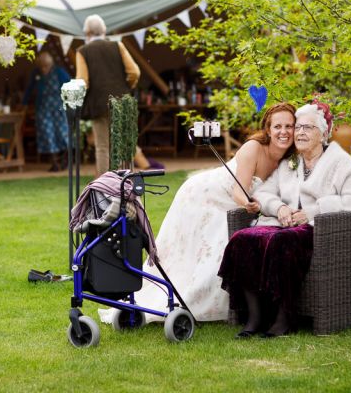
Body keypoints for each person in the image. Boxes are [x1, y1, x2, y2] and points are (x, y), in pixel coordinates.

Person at [100, 102, 297, 324]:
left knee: (216, 250)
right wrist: (248, 203)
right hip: (203, 195)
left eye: (289, 126)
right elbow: (238, 191)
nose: (283, 132)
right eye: (278, 126)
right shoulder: (254, 148)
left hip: (228, 206)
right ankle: (169, 299)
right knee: (186, 255)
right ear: (268, 129)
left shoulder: (290, 158)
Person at [219, 102, 351, 338]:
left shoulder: (343, 165)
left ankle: (284, 318)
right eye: (298, 127)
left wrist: (311, 212)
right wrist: (279, 207)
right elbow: (263, 192)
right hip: (284, 225)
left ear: (323, 134)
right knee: (242, 239)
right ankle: (255, 317)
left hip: (322, 230)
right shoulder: (291, 163)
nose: (299, 133)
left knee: (282, 242)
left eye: (307, 128)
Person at [75, 14, 140, 177]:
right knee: (123, 145)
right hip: (122, 102)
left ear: (87, 33)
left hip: (98, 104)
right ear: (104, 30)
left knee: (102, 147)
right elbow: (134, 72)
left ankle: (105, 186)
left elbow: (83, 81)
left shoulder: (83, 51)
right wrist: (126, 87)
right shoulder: (118, 46)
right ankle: (125, 182)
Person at [22, 51, 71, 172]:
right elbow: (29, 89)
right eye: (42, 66)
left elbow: (71, 85)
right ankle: (54, 163)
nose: (44, 69)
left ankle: (65, 160)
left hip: (59, 108)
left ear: (51, 64)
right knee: (47, 134)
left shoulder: (59, 72)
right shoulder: (36, 73)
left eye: (46, 66)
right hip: (43, 109)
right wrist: (24, 103)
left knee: (62, 133)